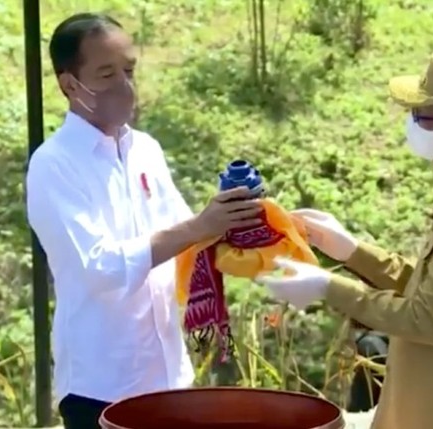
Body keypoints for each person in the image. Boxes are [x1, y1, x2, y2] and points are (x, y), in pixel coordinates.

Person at [257, 48, 433, 429]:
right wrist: (352, 251)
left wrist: (329, 288)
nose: (411, 123)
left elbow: (428, 318)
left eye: (421, 115)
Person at [26, 13, 262, 429]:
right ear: (69, 85)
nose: (125, 85)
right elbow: (101, 269)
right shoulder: (54, 165)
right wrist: (199, 226)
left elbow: (188, 236)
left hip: (168, 376)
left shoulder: (146, 150)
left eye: (130, 70)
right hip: (102, 387)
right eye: (107, 74)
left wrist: (243, 221)